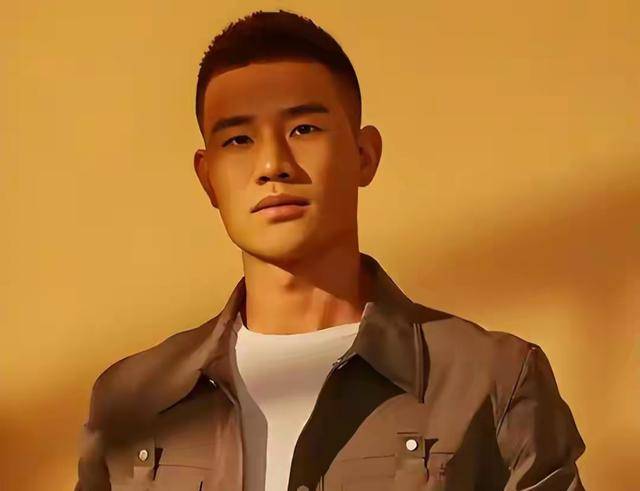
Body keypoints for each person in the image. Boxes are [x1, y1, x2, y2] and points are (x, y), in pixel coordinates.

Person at [74, 9, 586, 491]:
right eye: (238, 140)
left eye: (304, 129)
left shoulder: (491, 381)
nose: (272, 165)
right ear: (208, 178)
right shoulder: (131, 402)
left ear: (364, 155)